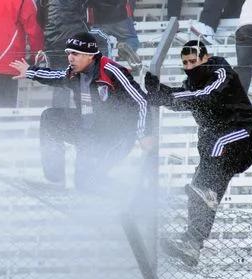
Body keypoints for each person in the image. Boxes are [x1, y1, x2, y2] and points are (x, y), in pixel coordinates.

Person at [144, 40, 252, 266]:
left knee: (212, 156)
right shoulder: (190, 84)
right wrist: (159, 91)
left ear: (205, 59)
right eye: (185, 63)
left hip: (243, 130)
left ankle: (210, 191)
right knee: (198, 191)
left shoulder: (221, 71)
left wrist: (162, 95)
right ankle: (192, 245)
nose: (189, 66)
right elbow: (183, 98)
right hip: (218, 143)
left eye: (193, 61)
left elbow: (205, 96)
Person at [10, 32, 152, 190]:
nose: (70, 58)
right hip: (88, 131)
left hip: (114, 136)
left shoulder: (112, 71)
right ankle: (55, 179)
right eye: (69, 53)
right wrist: (30, 71)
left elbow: (141, 101)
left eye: (75, 53)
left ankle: (126, 192)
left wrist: (144, 133)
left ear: (89, 55)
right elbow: (55, 76)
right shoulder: (73, 72)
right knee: (50, 118)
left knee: (87, 184)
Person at [87, 0, 142, 71]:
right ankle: (125, 46)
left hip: (98, 18)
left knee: (100, 45)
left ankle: (102, 69)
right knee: (131, 38)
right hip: (121, 16)